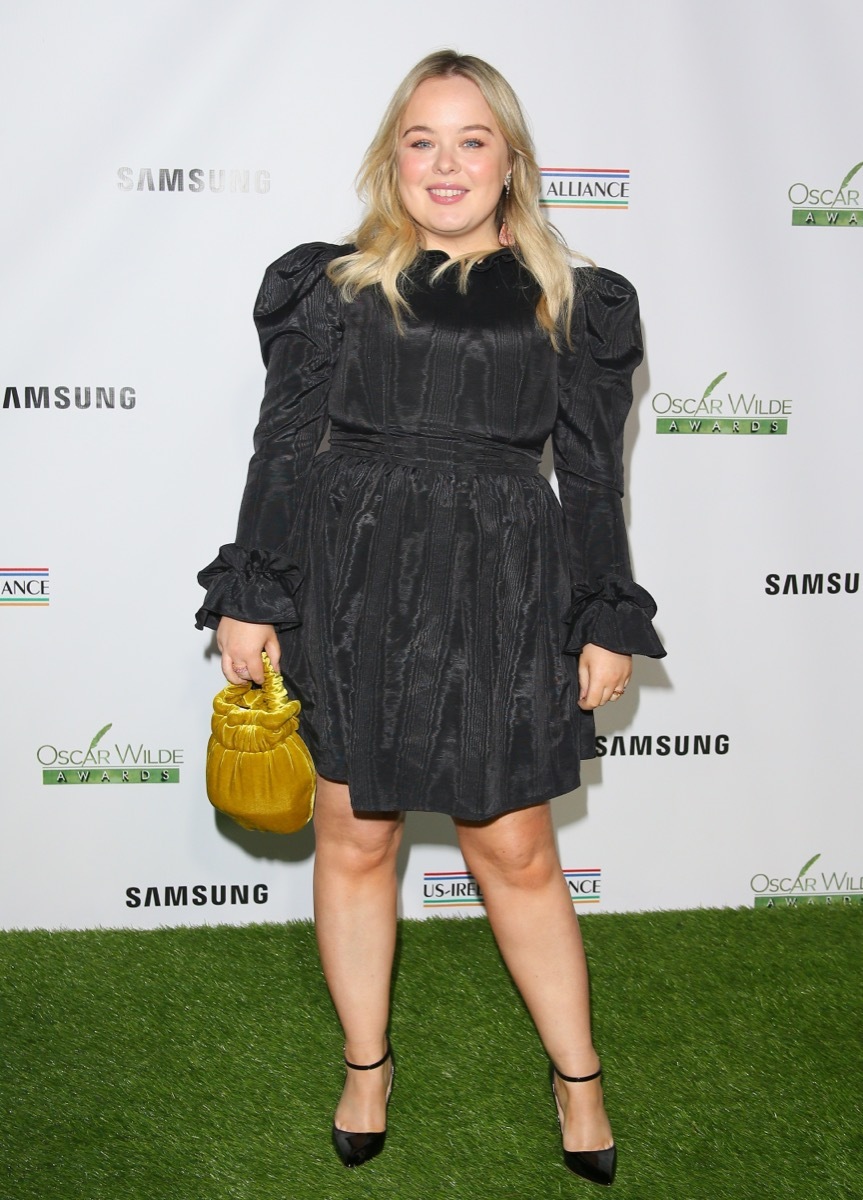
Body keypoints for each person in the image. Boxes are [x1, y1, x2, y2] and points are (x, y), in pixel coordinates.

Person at [196, 50, 665, 1186]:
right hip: (347, 576)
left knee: (515, 850)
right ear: (390, 158)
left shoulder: (575, 300)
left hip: (499, 583)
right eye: (421, 139)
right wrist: (253, 591)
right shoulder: (332, 285)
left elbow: (593, 478)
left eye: (469, 140)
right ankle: (366, 1065)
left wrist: (603, 613)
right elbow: (285, 448)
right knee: (353, 837)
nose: (444, 163)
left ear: (509, 159)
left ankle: (578, 1077)